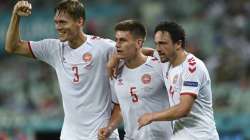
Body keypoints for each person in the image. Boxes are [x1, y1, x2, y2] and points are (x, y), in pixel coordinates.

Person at [5, 0, 119, 140]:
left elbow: (136, 53)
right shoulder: (54, 48)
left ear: (80, 21)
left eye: (63, 22)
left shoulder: (103, 47)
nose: (58, 27)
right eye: (56, 22)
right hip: (70, 136)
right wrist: (16, 15)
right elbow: (12, 47)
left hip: (102, 134)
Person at [137, 21, 219, 140]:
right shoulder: (165, 60)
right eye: (156, 44)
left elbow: (183, 109)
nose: (158, 49)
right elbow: (144, 51)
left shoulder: (192, 67)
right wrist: (115, 59)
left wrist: (152, 116)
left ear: (178, 44)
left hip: (201, 136)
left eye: (163, 43)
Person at [98, 20, 172, 140]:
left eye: (123, 40)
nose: (117, 45)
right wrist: (109, 128)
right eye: (116, 40)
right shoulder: (115, 71)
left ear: (138, 43)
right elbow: (120, 107)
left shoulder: (160, 65)